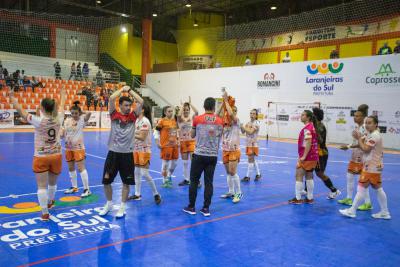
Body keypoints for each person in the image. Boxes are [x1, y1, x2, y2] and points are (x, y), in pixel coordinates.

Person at [10, 86, 66, 221]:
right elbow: (62, 105)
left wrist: (12, 98)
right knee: (52, 184)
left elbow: (22, 112)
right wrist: (62, 95)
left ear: (41, 109)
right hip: (56, 155)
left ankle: (45, 213)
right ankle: (51, 201)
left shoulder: (38, 120)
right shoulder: (59, 118)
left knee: (42, 186)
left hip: (41, 156)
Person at [98, 85, 143, 218]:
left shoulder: (133, 116)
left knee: (126, 183)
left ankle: (122, 207)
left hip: (127, 155)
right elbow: (111, 98)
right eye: (126, 105)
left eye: (130, 105)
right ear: (120, 106)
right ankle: (109, 203)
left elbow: (141, 102)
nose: (128, 107)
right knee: (106, 181)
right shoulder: (114, 114)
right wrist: (122, 89)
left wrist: (130, 91)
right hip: (113, 153)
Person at [339, 116, 391, 219]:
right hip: (376, 166)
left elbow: (366, 149)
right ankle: (385, 212)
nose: (367, 125)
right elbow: (360, 144)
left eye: (370, 123)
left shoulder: (375, 136)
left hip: (371, 166)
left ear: (376, 124)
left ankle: (352, 211)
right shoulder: (370, 134)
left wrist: (358, 138)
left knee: (361, 188)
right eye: (366, 123)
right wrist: (349, 146)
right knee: (378, 189)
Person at [183, 97, 224, 216]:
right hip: (212, 155)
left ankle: (191, 207)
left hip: (199, 154)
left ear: (204, 106)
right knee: (209, 182)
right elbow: (219, 135)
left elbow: (192, 135)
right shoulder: (220, 121)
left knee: (194, 181)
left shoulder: (197, 119)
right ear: (213, 107)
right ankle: (206, 208)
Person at [338, 105, 372, 210]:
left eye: (357, 116)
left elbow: (363, 143)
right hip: (354, 156)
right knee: (349, 176)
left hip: (362, 157)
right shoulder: (358, 127)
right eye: (354, 115)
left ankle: (367, 203)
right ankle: (349, 198)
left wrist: (348, 146)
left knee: (362, 181)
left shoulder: (365, 128)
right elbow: (355, 141)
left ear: (363, 117)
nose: (355, 117)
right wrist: (349, 146)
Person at [128, 104, 161, 204]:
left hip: (144, 150)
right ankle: (137, 194)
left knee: (144, 173)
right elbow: (137, 134)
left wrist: (130, 133)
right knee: (136, 172)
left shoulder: (145, 121)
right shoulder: (137, 120)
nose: (134, 109)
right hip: (136, 149)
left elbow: (142, 137)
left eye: (136, 107)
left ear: (142, 110)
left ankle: (156, 193)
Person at [62, 101, 92, 197]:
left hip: (78, 148)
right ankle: (74, 187)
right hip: (68, 147)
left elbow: (89, 113)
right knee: (71, 168)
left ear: (79, 113)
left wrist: (80, 111)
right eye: (72, 113)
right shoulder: (67, 120)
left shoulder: (82, 120)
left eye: (76, 113)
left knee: (80, 168)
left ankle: (87, 189)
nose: (74, 115)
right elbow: (64, 133)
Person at [289, 110, 319, 204]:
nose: (301, 116)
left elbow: (308, 142)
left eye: (303, 115)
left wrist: (304, 156)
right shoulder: (312, 127)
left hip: (307, 156)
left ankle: (298, 198)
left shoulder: (307, 128)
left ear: (308, 117)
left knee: (299, 175)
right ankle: (310, 198)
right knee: (309, 176)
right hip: (313, 156)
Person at [312, 107, 341, 199]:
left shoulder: (319, 127)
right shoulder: (315, 125)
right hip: (317, 152)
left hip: (321, 153)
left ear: (315, 116)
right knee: (308, 170)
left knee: (319, 174)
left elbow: (320, 141)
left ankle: (334, 190)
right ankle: (306, 189)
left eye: (312, 114)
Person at [220, 91, 243, 203]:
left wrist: (226, 101)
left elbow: (230, 113)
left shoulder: (236, 121)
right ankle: (231, 191)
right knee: (228, 172)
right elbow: (219, 114)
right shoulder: (224, 121)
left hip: (234, 150)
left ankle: (239, 193)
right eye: (230, 110)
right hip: (225, 149)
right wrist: (223, 104)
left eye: (234, 111)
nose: (230, 113)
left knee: (233, 172)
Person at [155, 106, 179, 188]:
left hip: (175, 145)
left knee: (175, 163)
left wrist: (178, 140)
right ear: (165, 112)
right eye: (169, 111)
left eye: (171, 111)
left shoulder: (174, 121)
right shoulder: (161, 121)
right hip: (166, 145)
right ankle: (165, 179)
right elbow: (156, 131)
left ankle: (169, 175)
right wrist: (157, 141)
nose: (171, 113)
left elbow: (176, 132)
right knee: (165, 164)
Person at [177, 97, 199, 186]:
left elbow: (197, 112)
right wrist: (182, 106)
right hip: (183, 142)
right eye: (184, 110)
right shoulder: (180, 119)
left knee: (194, 161)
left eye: (187, 110)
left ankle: (196, 180)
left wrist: (190, 104)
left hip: (191, 141)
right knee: (185, 162)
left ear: (189, 111)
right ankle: (186, 179)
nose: (186, 111)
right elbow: (178, 115)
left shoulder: (192, 118)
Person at [241, 109, 261, 182]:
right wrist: (240, 126)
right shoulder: (248, 123)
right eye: (251, 113)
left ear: (256, 115)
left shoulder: (257, 123)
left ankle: (247, 176)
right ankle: (258, 174)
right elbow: (243, 131)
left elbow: (250, 132)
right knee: (253, 159)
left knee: (250, 160)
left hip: (253, 144)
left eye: (253, 114)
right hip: (248, 144)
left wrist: (244, 127)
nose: (252, 115)